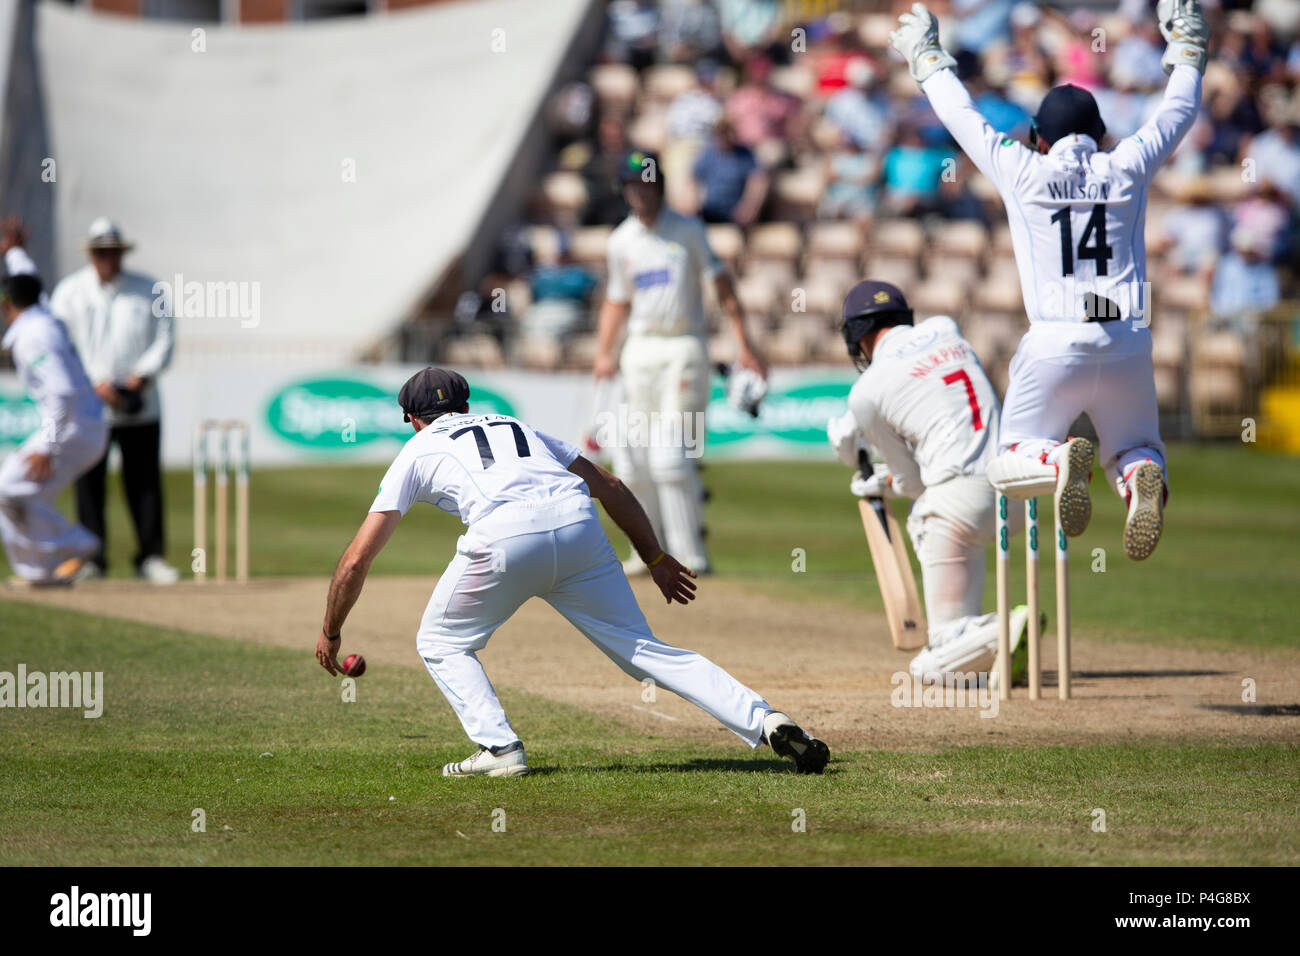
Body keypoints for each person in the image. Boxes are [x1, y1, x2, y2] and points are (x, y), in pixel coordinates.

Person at [313, 367, 828, 777]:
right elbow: (611, 485)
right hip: (579, 528)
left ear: (412, 418)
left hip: (504, 538)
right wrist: (654, 557)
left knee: (442, 643)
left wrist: (332, 631)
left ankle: (499, 748)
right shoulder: (517, 426)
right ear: (465, 405)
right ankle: (766, 720)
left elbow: (358, 558)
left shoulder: (418, 448)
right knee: (646, 654)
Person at [889, 0, 1210, 561]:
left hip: (1056, 338)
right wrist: (1188, 50)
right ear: (1103, 133)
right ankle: (1137, 478)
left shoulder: (1024, 171)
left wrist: (927, 58)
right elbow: (1177, 111)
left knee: (1011, 454)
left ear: (1039, 137)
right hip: (1126, 334)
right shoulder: (1127, 165)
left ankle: (1056, 460)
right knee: (1135, 446)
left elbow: (963, 118)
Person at [827, 281, 1031, 686]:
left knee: (931, 667)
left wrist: (881, 481)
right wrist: (883, 479)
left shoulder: (865, 394)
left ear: (856, 335)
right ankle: (987, 647)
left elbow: (915, 483)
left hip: (956, 506)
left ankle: (1002, 626)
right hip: (1016, 486)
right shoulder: (945, 328)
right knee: (962, 655)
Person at [593, 149, 766, 574]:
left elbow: (722, 286)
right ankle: (647, 553)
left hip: (684, 348)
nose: (640, 193)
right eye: (633, 186)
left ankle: (691, 556)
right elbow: (617, 301)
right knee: (632, 459)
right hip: (639, 352)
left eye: (647, 184)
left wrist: (744, 345)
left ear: (660, 185)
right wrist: (603, 353)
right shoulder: (621, 241)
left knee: (672, 456)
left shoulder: (687, 230)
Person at [47, 218, 178, 583]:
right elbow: (60, 345)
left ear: (122, 252)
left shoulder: (148, 289)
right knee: (90, 482)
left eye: (113, 251)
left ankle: (150, 557)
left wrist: (140, 376)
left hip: (141, 402)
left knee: (144, 482)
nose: (107, 258)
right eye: (101, 251)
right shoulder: (69, 293)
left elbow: (165, 339)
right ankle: (92, 558)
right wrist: (94, 382)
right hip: (90, 406)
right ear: (91, 254)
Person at [0, 269, 108, 586]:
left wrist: (46, 447)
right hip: (82, 425)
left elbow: (61, 392)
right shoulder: (45, 316)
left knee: (6, 490)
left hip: (72, 430)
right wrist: (14, 255)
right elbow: (33, 285)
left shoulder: (32, 337)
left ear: (6, 303)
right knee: (21, 495)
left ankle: (76, 544)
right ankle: (40, 573)